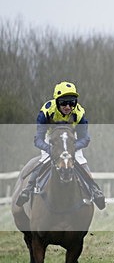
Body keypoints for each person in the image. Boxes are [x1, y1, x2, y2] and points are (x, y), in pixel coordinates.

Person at [16, 81, 106, 209]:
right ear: (57, 101)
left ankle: (95, 190)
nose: (68, 106)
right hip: (51, 140)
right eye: (64, 102)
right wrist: (50, 149)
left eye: (72, 102)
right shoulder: (46, 111)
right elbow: (38, 139)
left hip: (71, 140)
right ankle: (28, 189)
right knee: (43, 160)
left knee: (81, 161)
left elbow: (85, 139)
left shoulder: (79, 113)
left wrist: (71, 147)